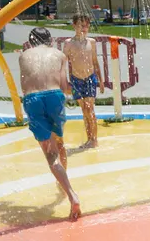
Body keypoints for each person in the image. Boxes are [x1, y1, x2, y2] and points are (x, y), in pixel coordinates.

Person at [19, 28, 81, 220]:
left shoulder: (23, 56)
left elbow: (24, 84)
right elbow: (63, 86)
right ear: (50, 41)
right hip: (55, 96)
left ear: (30, 43)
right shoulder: (59, 54)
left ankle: (71, 193)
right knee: (58, 141)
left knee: (50, 154)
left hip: (33, 98)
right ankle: (64, 183)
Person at [63, 13, 103, 148]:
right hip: (76, 79)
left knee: (89, 108)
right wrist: (65, 82)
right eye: (81, 25)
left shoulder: (91, 42)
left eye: (86, 26)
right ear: (74, 26)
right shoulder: (69, 43)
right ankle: (89, 138)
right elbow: (64, 63)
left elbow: (95, 62)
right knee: (84, 111)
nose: (84, 28)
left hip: (90, 78)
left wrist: (101, 81)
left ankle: (94, 139)